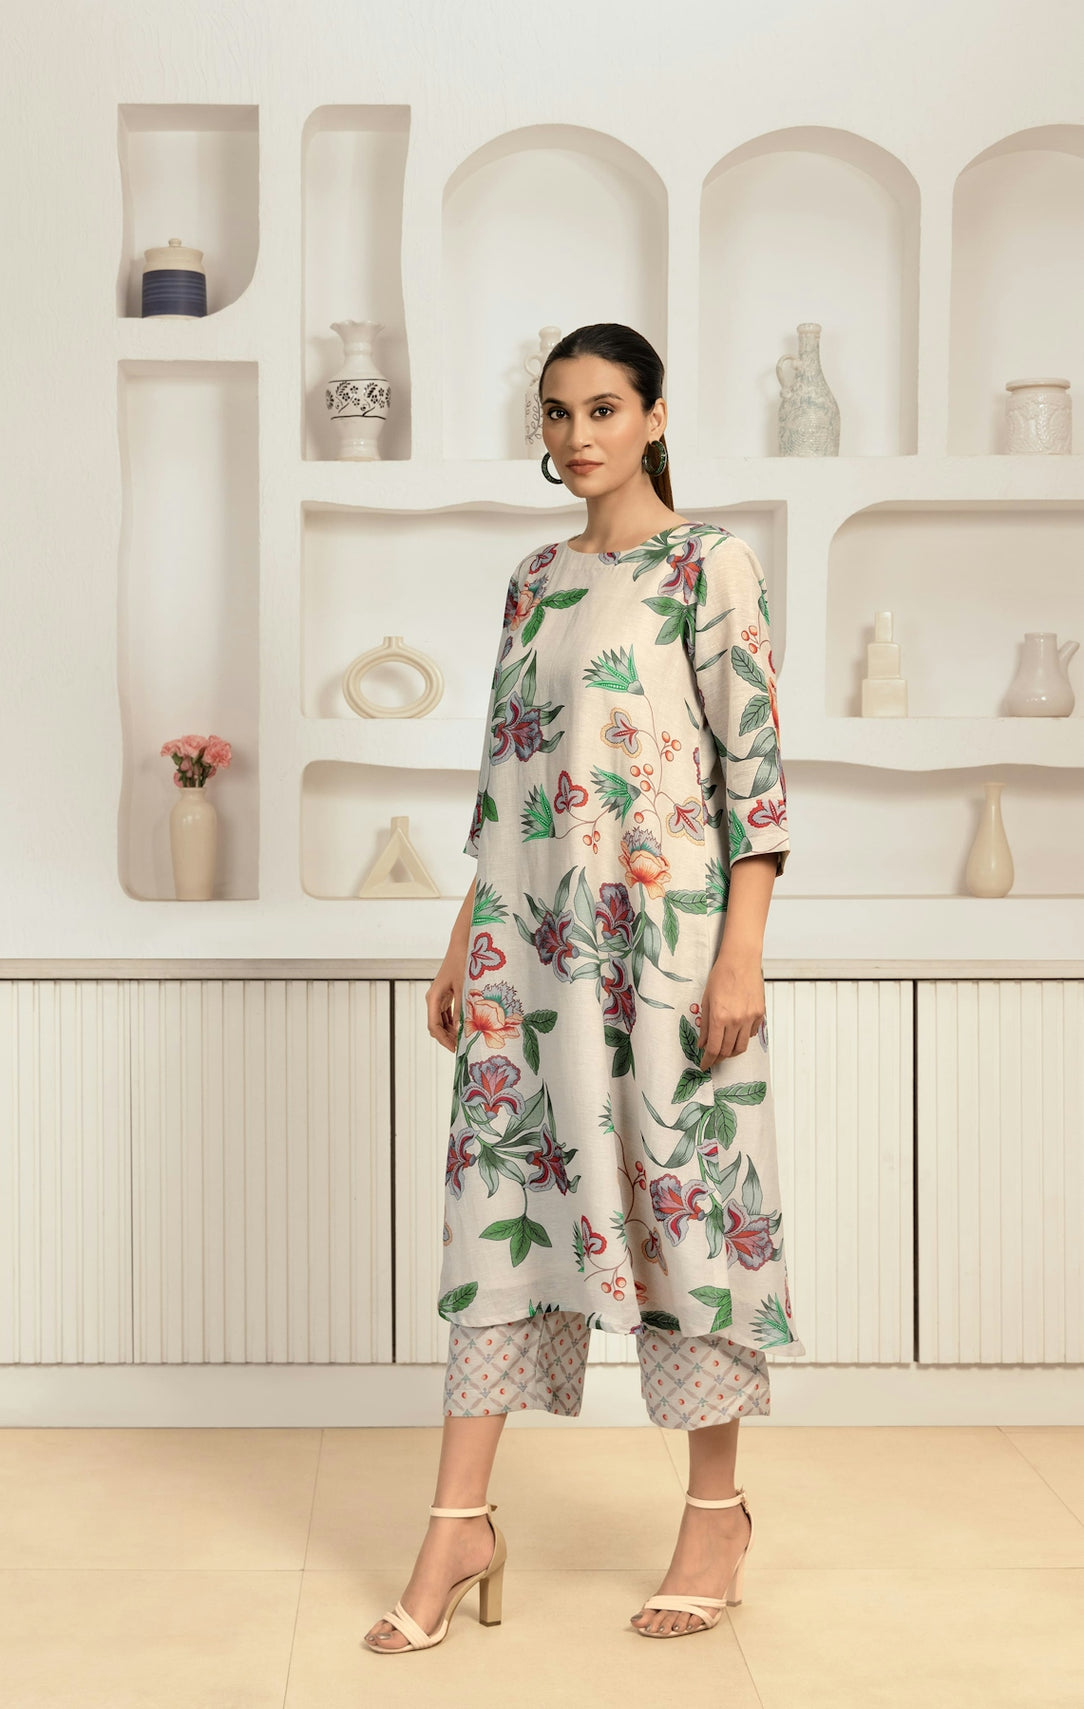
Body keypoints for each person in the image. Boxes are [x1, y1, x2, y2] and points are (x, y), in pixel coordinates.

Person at [364, 323, 804, 1654]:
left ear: (656, 412)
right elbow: (505, 786)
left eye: (603, 408)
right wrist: (462, 940)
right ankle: (457, 1520)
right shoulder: (533, 581)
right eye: (556, 413)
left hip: (669, 952)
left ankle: (717, 1511)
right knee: (498, 1203)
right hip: (530, 952)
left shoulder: (710, 565)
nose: (576, 436)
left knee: (688, 1216)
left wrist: (742, 949)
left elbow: (757, 776)